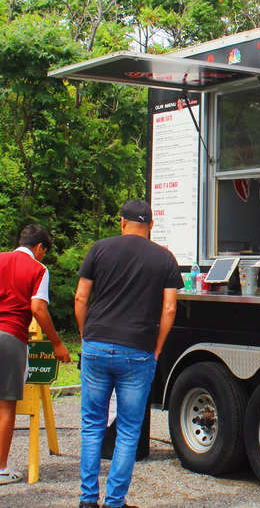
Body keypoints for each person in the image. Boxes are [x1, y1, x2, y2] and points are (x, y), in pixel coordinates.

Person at [74, 200, 182, 508]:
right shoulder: (164, 258)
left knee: (92, 425)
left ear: (122, 223)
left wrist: (86, 335)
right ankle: (115, 502)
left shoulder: (99, 249)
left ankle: (86, 500)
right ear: (151, 225)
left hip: (96, 344)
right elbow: (170, 308)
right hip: (138, 350)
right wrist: (158, 347)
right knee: (128, 429)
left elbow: (81, 297)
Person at [0, 224, 71, 486]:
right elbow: (38, 309)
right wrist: (57, 343)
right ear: (39, 247)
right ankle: (1, 468)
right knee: (6, 406)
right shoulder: (38, 270)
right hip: (11, 336)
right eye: (44, 251)